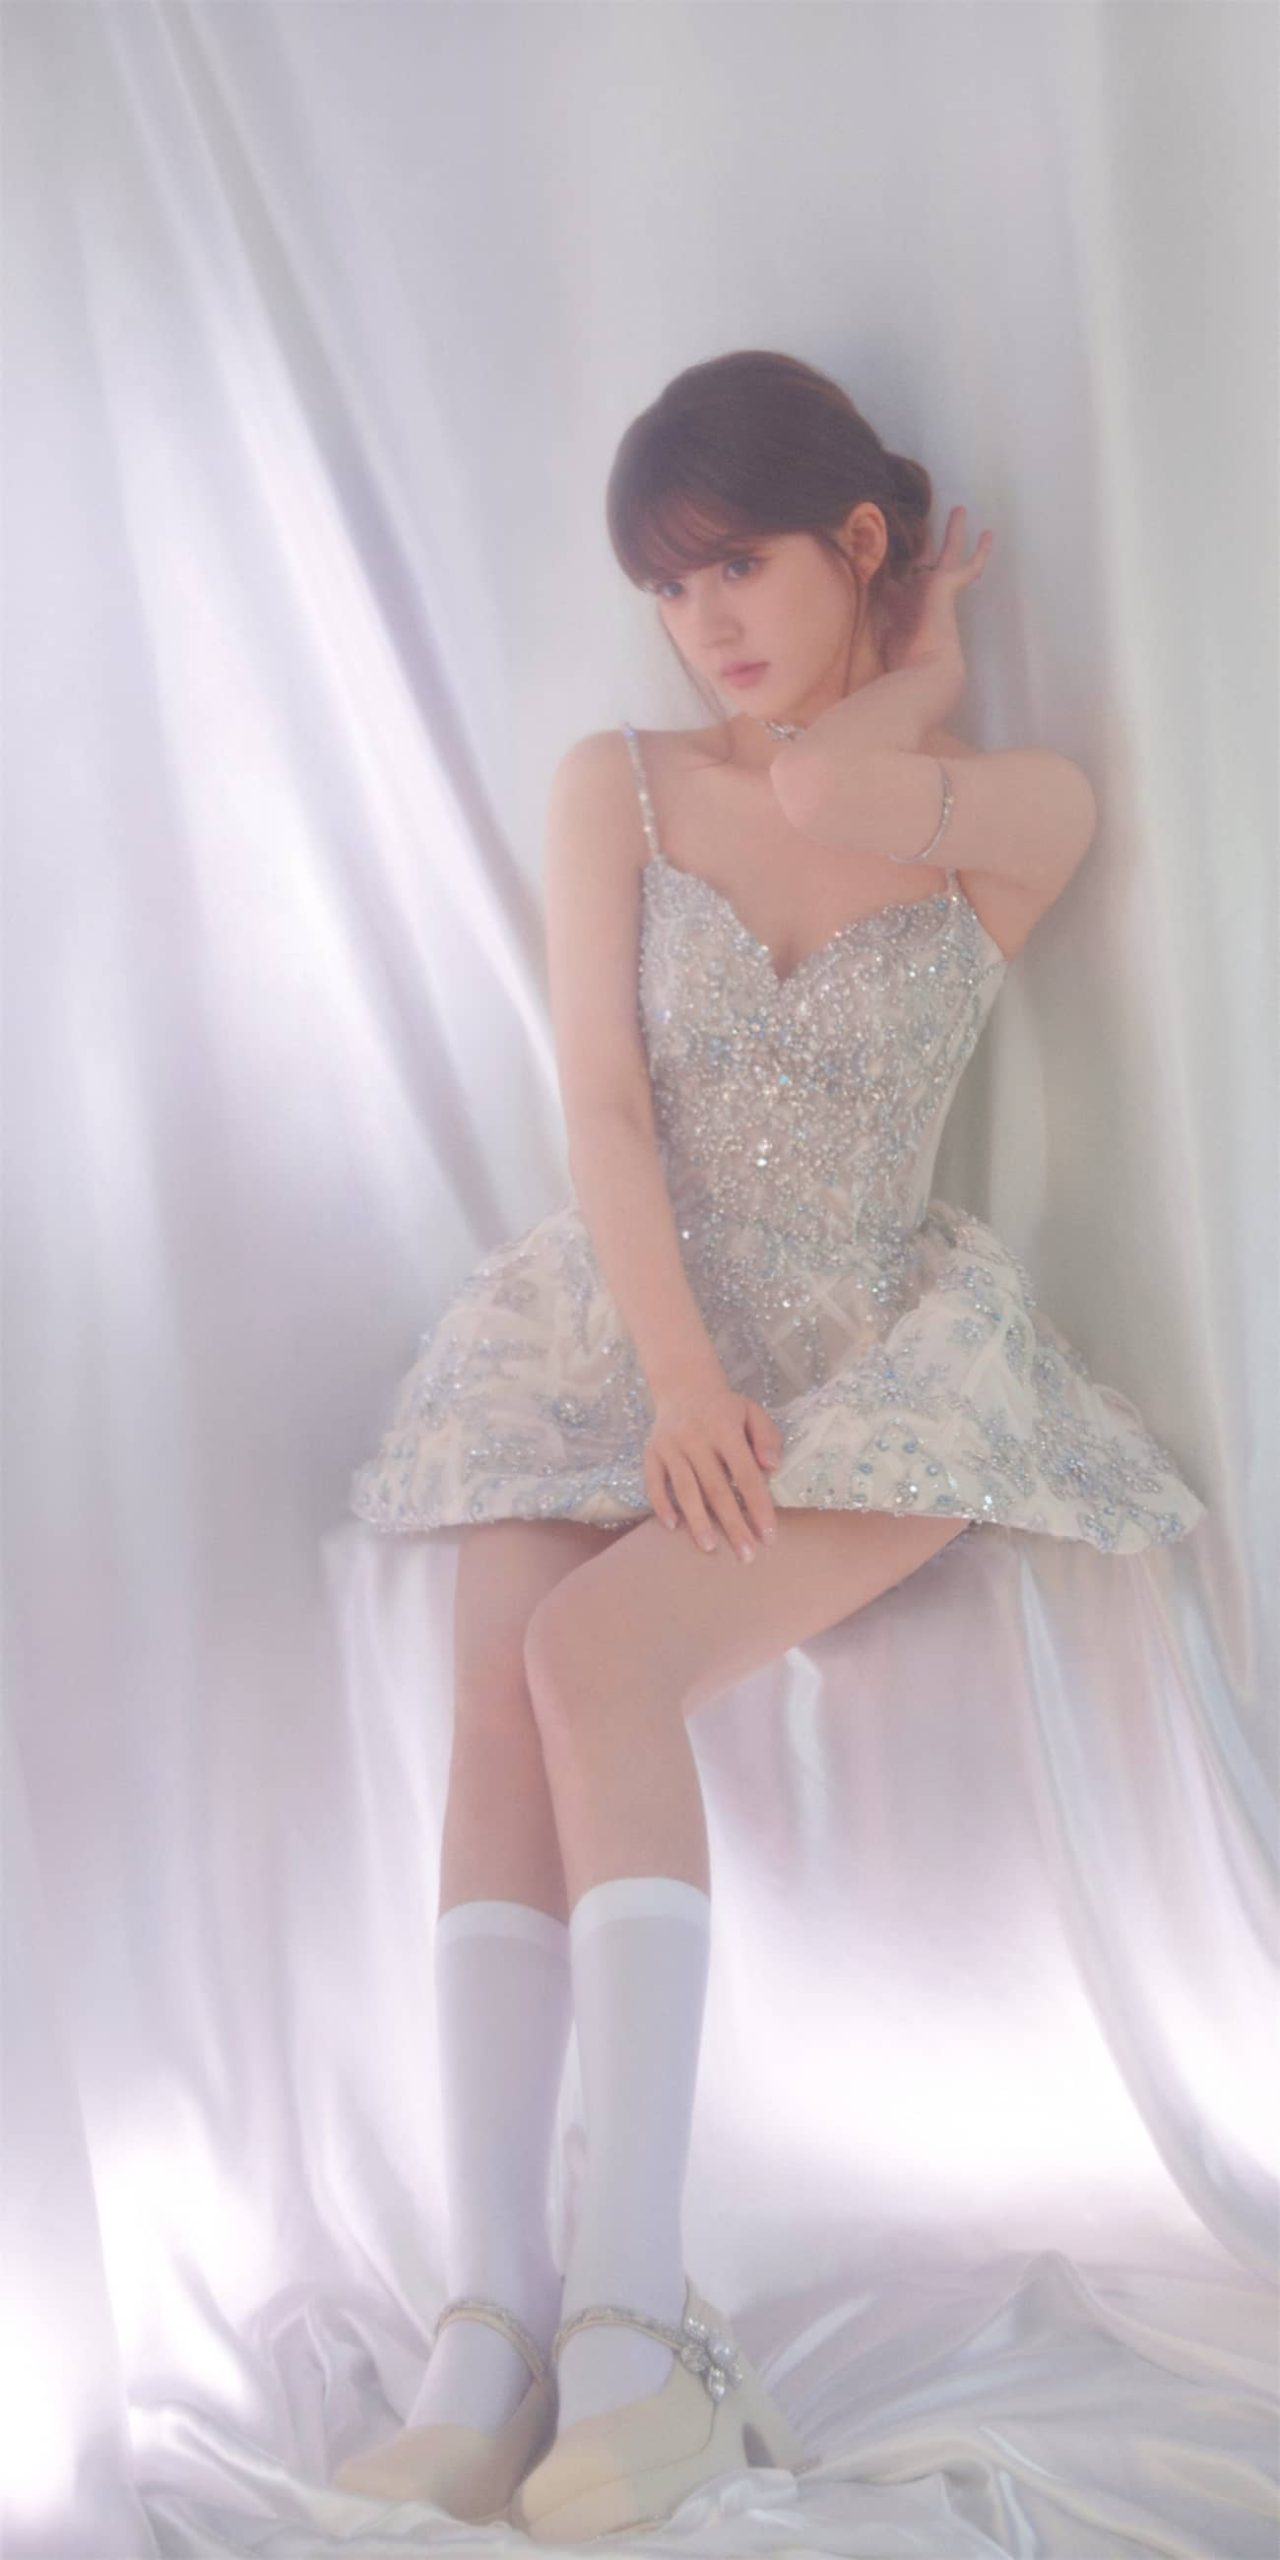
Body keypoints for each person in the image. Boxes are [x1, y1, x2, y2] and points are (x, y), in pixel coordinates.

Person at [332, 351, 1206, 2540]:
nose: (701, 618)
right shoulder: (611, 787)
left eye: (738, 564)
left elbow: (827, 810)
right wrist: (670, 1376)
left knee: (597, 1659)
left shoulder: (1019, 807)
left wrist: (912, 694)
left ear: (859, 542)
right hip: (630, 1322)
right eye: (668, 584)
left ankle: (635, 2339)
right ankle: (487, 2333)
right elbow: (602, 1107)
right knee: (498, 1656)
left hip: (872, 1351)